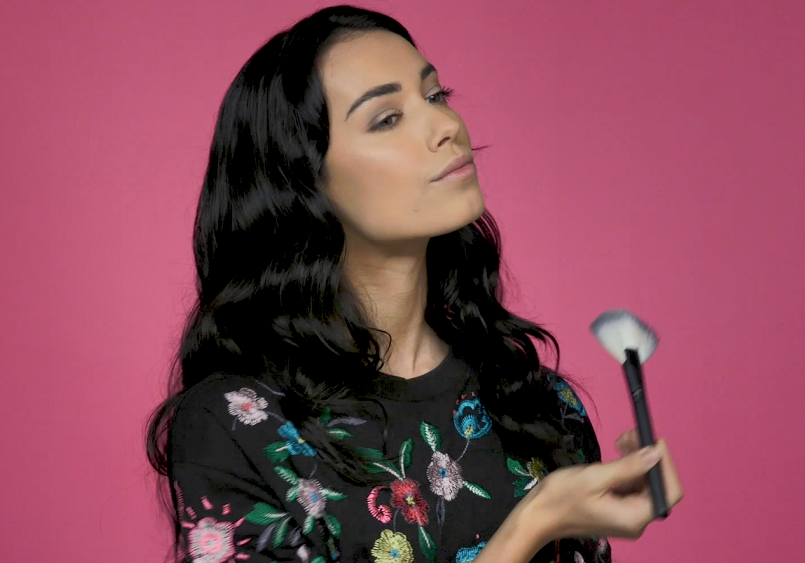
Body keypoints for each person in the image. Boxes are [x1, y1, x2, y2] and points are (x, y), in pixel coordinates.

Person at [145, 5, 683, 563]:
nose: (447, 125)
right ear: (304, 184)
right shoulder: (237, 425)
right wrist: (537, 521)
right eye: (386, 118)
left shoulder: (540, 405)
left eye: (435, 96)